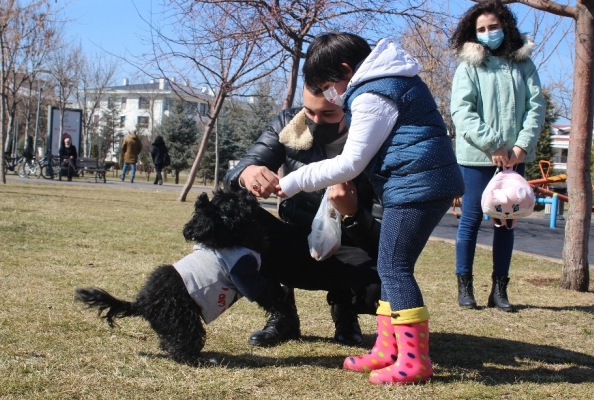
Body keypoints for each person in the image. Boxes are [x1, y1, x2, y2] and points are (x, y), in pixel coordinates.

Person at [276, 33, 464, 385]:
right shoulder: (390, 80)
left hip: (417, 184)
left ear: (346, 70)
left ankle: (414, 360)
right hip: (417, 181)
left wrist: (293, 181)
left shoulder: (373, 92)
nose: (331, 95)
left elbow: (350, 163)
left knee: (394, 266)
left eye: (328, 86)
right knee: (390, 265)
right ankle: (388, 349)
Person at [224, 85, 383, 348]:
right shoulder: (289, 124)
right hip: (297, 236)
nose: (316, 122)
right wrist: (246, 174)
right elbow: (237, 172)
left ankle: (345, 308)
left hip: (353, 244)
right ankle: (282, 313)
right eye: (309, 111)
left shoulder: (376, 136)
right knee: (237, 220)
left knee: (381, 282)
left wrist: (353, 213)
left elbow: (386, 236)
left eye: (329, 113)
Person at [450, 0, 545, 312]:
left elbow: (536, 108)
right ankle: (465, 287)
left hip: (515, 159)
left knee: (506, 221)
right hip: (477, 158)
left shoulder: (524, 64)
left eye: (493, 26)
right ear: (472, 33)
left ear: (505, 26)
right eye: (481, 29)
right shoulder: (469, 67)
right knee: (472, 220)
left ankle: (499, 290)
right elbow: (462, 112)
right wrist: (493, 145)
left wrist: (520, 147)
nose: (488, 33)